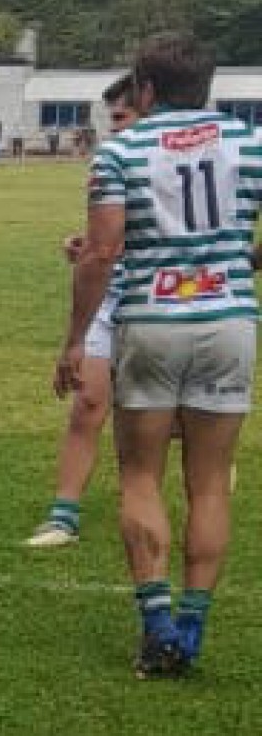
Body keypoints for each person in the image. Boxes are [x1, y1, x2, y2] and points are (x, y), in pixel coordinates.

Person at [61, 33, 260, 678]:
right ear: (208, 86)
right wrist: (234, 259)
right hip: (229, 321)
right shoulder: (250, 143)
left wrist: (74, 338)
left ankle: (157, 628)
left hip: (149, 321)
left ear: (144, 89)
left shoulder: (122, 148)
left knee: (141, 473)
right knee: (209, 480)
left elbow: (102, 251)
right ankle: (193, 630)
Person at [28, 76, 139, 549]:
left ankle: (206, 466)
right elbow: (108, 234)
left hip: (156, 304)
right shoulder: (111, 163)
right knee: (88, 403)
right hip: (108, 299)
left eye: (120, 117)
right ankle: (64, 515)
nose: (113, 128)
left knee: (154, 418)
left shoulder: (168, 163)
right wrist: (86, 244)